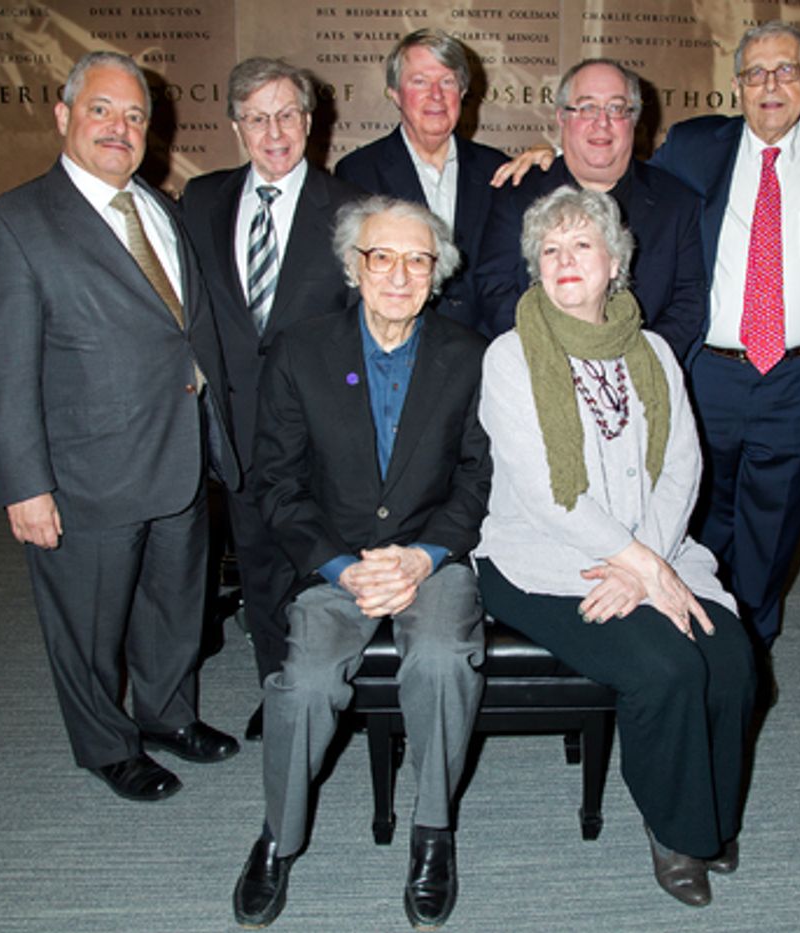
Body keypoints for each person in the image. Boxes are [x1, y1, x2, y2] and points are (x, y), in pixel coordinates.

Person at [0, 51, 241, 802]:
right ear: (63, 116)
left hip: (178, 455)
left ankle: (167, 714)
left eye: (135, 116)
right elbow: (0, 371)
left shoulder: (159, 207)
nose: (119, 128)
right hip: (85, 475)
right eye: (101, 110)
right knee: (87, 626)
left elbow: (185, 331)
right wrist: (25, 486)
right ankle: (104, 743)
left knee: (174, 605)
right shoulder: (14, 224)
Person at [474, 186, 755, 908]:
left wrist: (648, 566)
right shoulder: (510, 357)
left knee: (729, 655)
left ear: (614, 262)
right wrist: (642, 567)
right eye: (550, 249)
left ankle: (715, 813)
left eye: (582, 246)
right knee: (663, 667)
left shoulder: (655, 350)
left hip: (653, 549)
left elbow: (683, 466)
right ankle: (677, 830)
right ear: (536, 267)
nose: (566, 260)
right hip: (540, 559)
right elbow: (547, 492)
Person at [232, 196, 491, 930]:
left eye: (419, 259)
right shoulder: (300, 351)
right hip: (334, 563)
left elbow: (477, 477)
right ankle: (278, 835)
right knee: (304, 682)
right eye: (384, 256)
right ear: (355, 266)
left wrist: (423, 554)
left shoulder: (468, 355)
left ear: (436, 273)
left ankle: (433, 832)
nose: (401, 274)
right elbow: (276, 483)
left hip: (432, 559)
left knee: (442, 660)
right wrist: (341, 567)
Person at [650, 23, 800, 650]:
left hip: (799, 376)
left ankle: (750, 645)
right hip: (710, 371)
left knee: (774, 523)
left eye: (785, 72)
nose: (770, 85)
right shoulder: (693, 147)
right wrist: (548, 158)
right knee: (694, 512)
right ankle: (692, 633)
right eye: (756, 73)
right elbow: (622, 184)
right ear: (737, 87)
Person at [181, 58, 364, 741]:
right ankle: (277, 686)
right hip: (236, 425)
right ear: (236, 127)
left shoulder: (351, 208)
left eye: (287, 114)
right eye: (257, 117)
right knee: (257, 563)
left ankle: (333, 688)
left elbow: (369, 327)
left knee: (316, 564)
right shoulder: (200, 200)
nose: (274, 131)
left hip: (322, 430)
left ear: (310, 124)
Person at [474, 59, 706, 359]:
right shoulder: (519, 193)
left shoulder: (677, 203)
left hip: (641, 380)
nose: (602, 122)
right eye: (586, 108)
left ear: (634, 118)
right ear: (561, 117)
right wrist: (562, 361)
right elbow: (496, 289)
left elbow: (688, 302)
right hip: (538, 369)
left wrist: (631, 364)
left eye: (616, 108)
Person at [335, 29, 508, 331]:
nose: (436, 95)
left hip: (486, 350)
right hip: (404, 349)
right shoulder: (357, 172)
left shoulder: (498, 169)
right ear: (394, 92)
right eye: (420, 82)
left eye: (447, 81)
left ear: (463, 92)